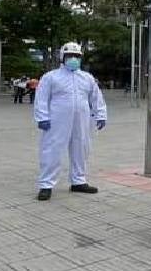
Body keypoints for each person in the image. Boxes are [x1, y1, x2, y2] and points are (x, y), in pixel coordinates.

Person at [34, 42, 107, 201]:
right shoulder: (51, 77)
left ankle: (78, 181)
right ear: (62, 58)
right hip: (56, 120)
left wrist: (101, 115)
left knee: (81, 148)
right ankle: (46, 184)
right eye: (70, 56)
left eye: (77, 56)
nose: (73, 59)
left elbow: (96, 97)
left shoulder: (87, 78)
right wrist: (42, 117)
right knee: (52, 149)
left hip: (81, 119)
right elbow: (41, 98)